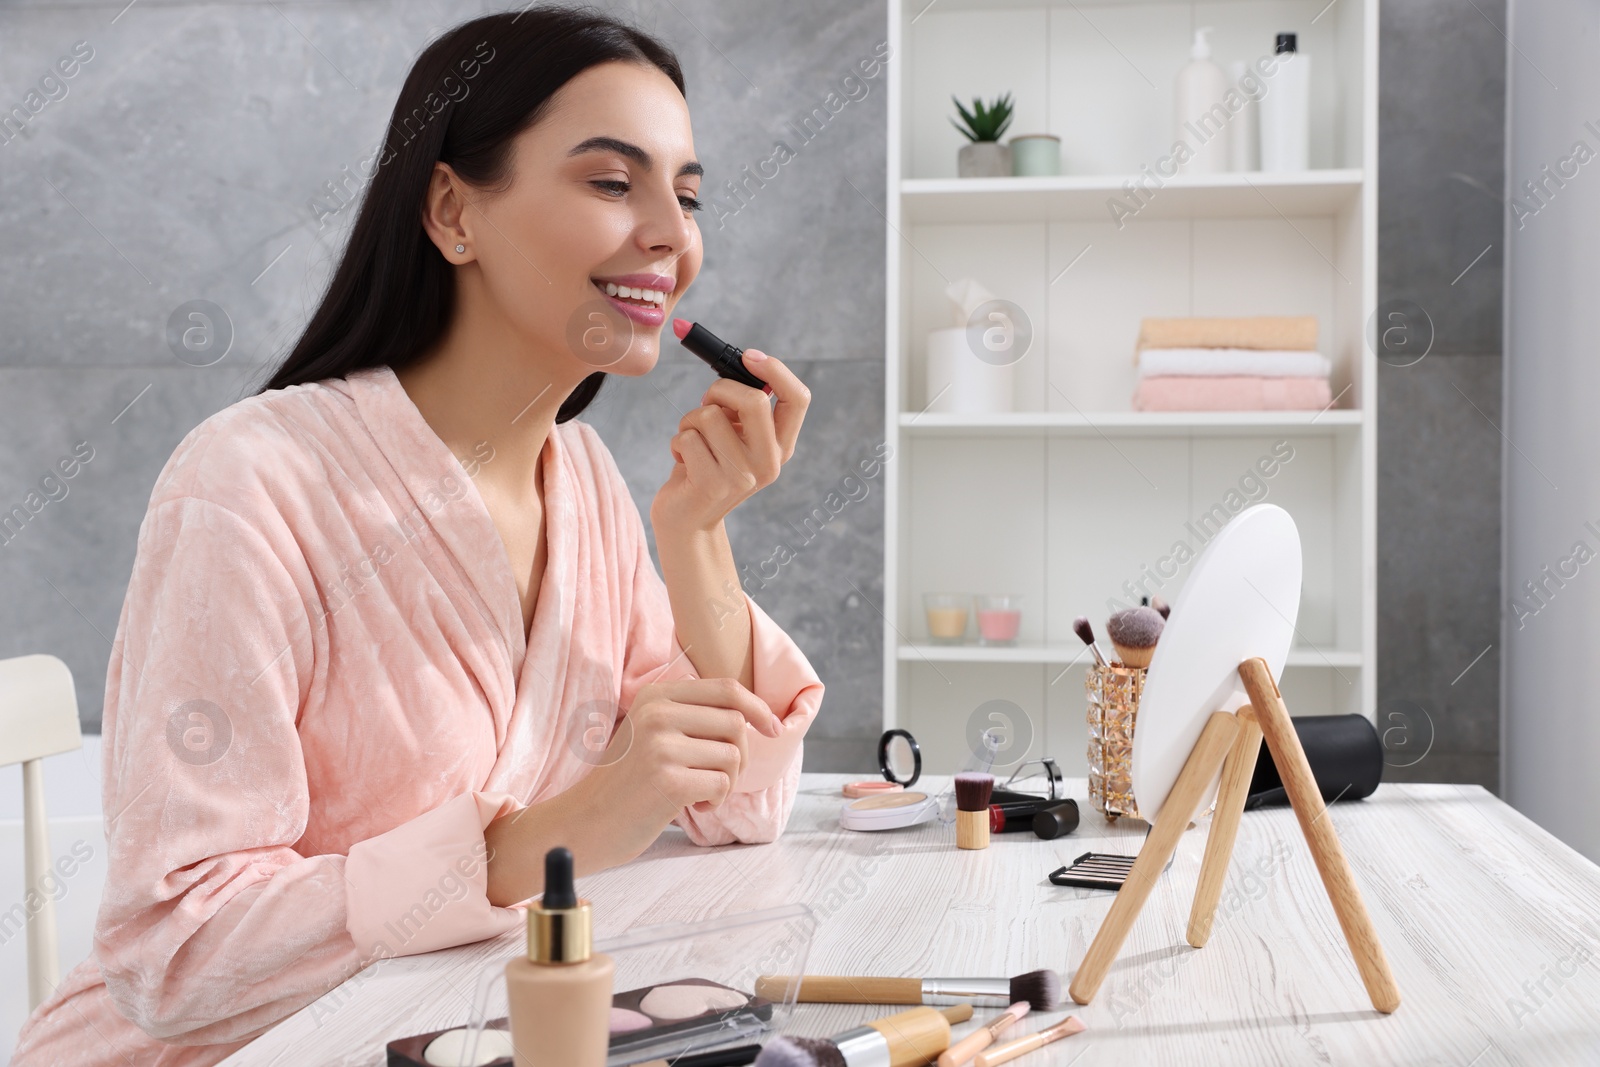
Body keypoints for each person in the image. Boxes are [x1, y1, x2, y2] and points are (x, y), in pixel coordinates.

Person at [12, 8, 821, 1065]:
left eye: (689, 193)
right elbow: (172, 949)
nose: (672, 232)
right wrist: (547, 836)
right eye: (614, 183)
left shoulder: (581, 484)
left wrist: (697, 534)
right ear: (452, 211)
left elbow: (737, 805)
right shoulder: (251, 483)